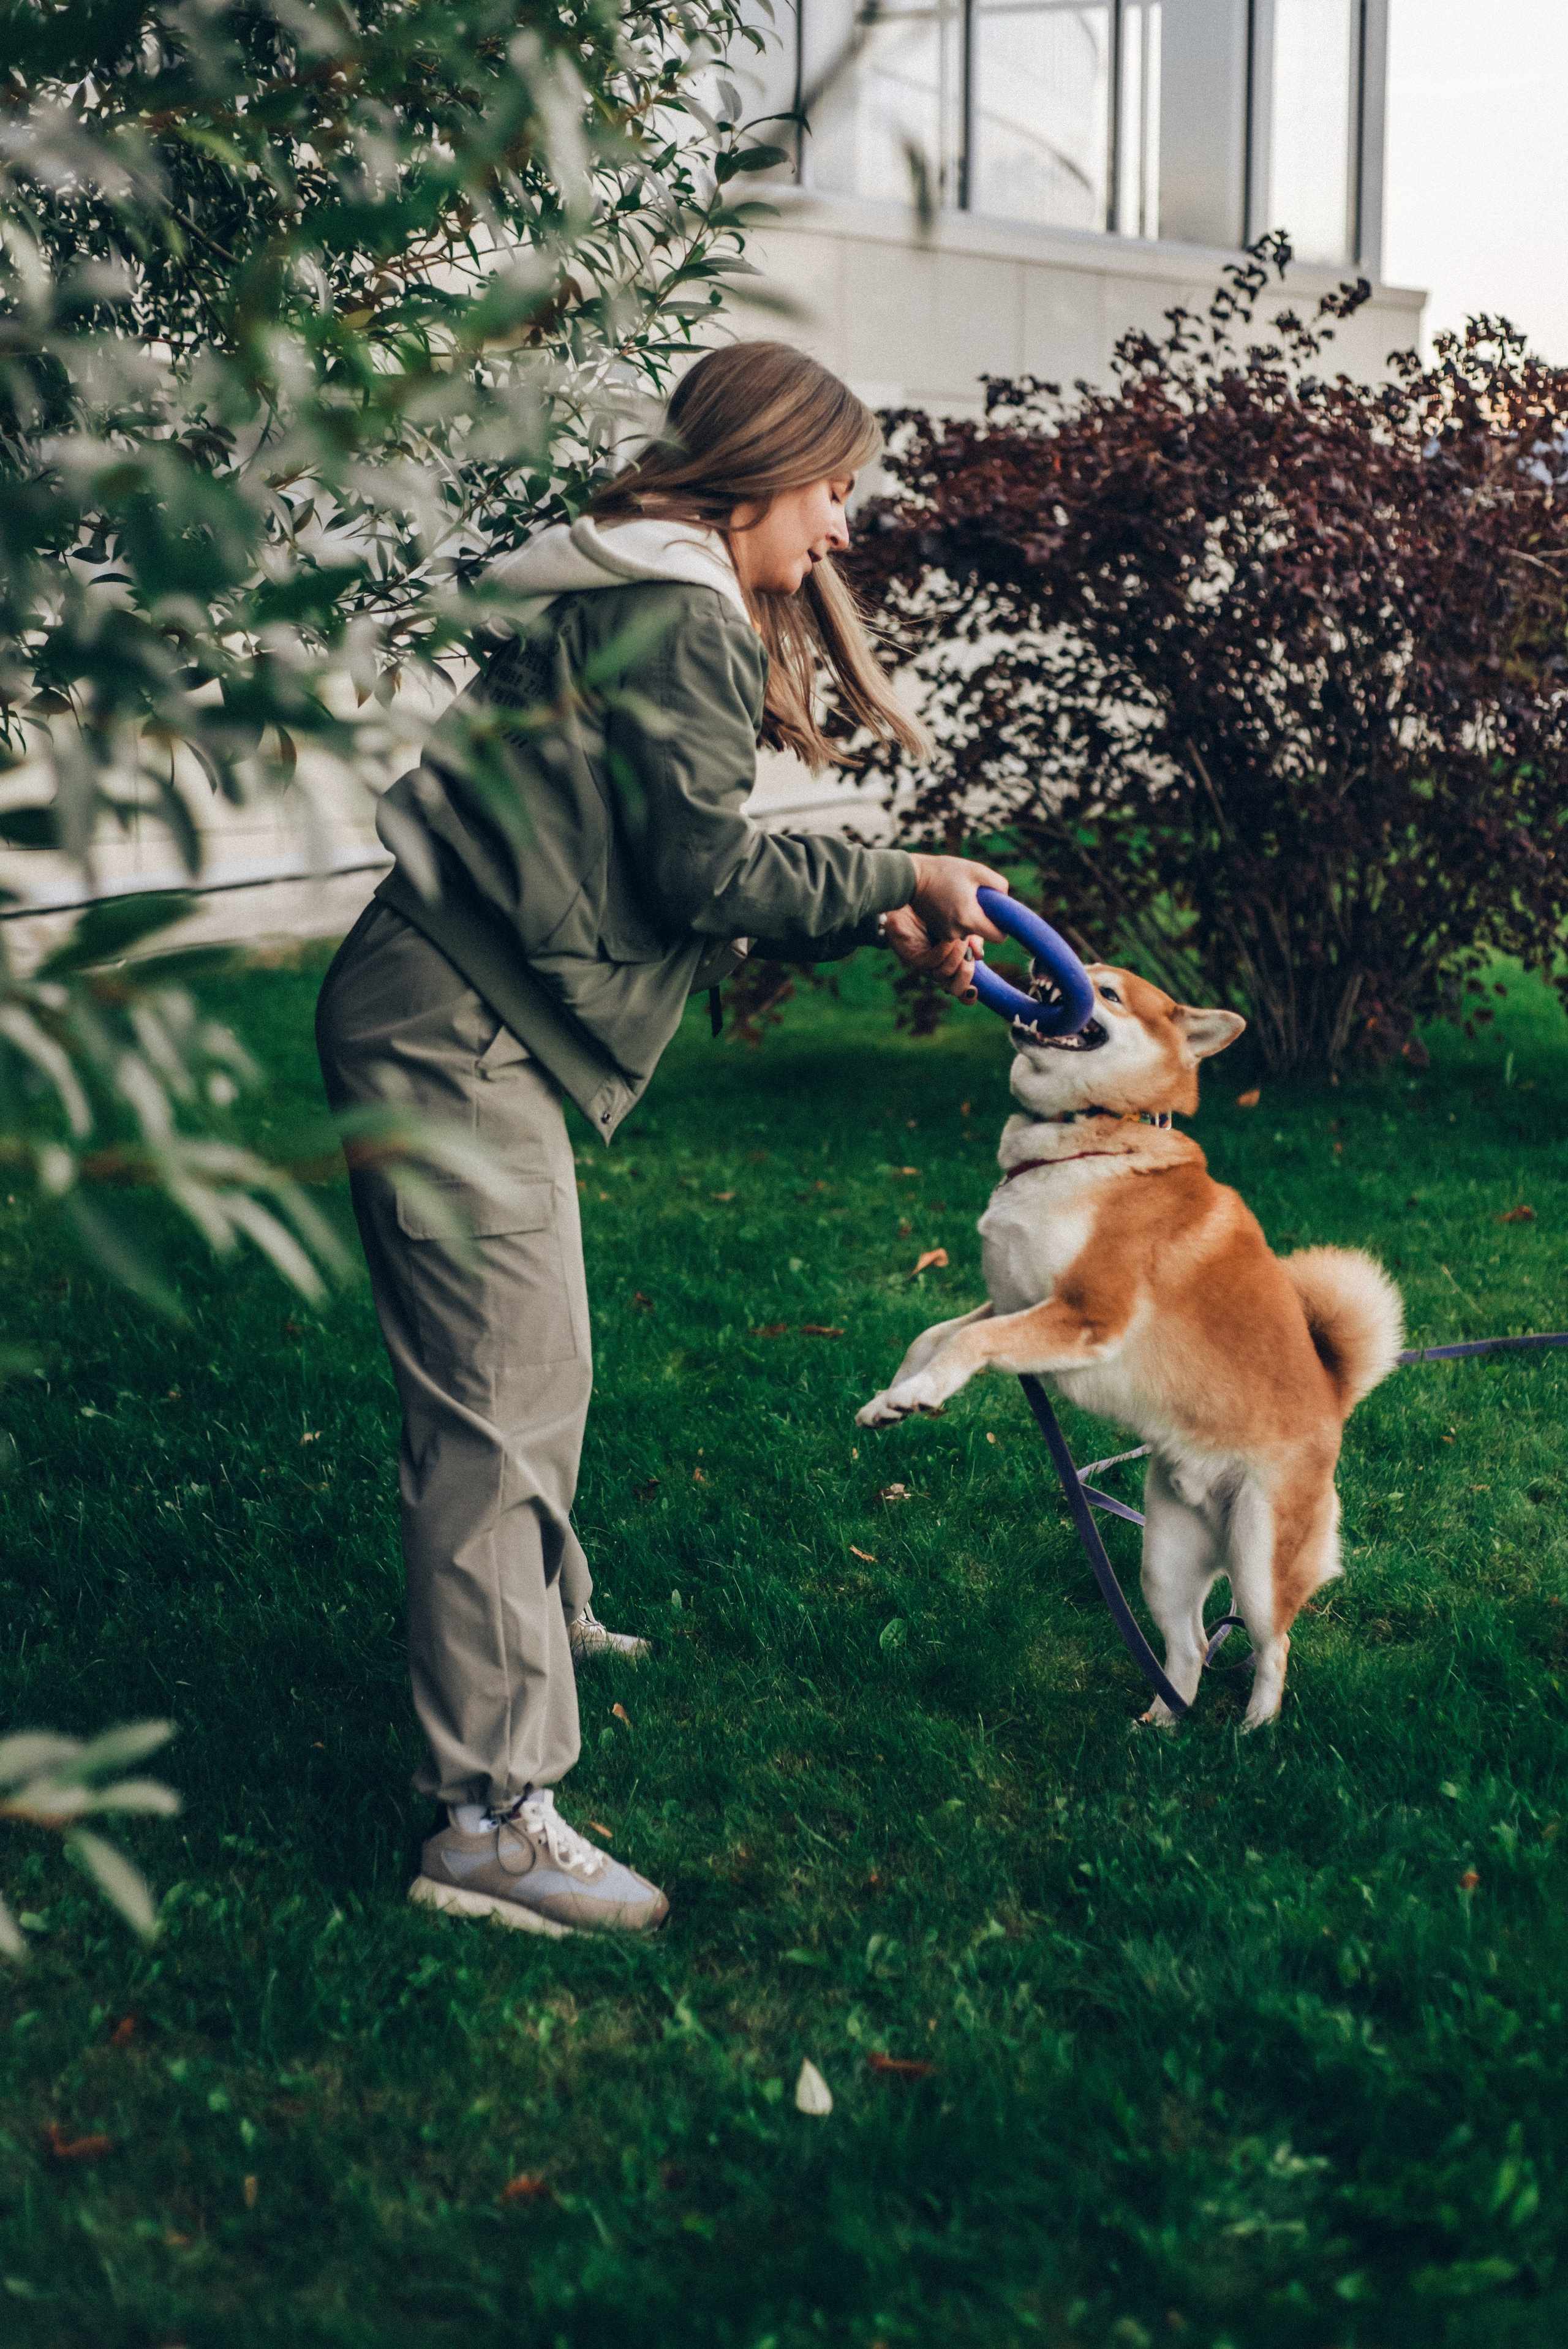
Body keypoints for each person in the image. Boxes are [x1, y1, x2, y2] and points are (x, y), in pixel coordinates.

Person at [315, 341, 1007, 1937]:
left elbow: (650, 857)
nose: (839, 530)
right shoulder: (677, 601)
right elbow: (701, 869)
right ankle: (490, 1815)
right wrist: (904, 878)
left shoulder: (641, 579)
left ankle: (540, 1619)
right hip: (449, 1024)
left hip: (451, 1002)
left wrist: (880, 903)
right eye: (835, 492)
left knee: (528, 1368)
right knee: (501, 1397)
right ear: (766, 470)